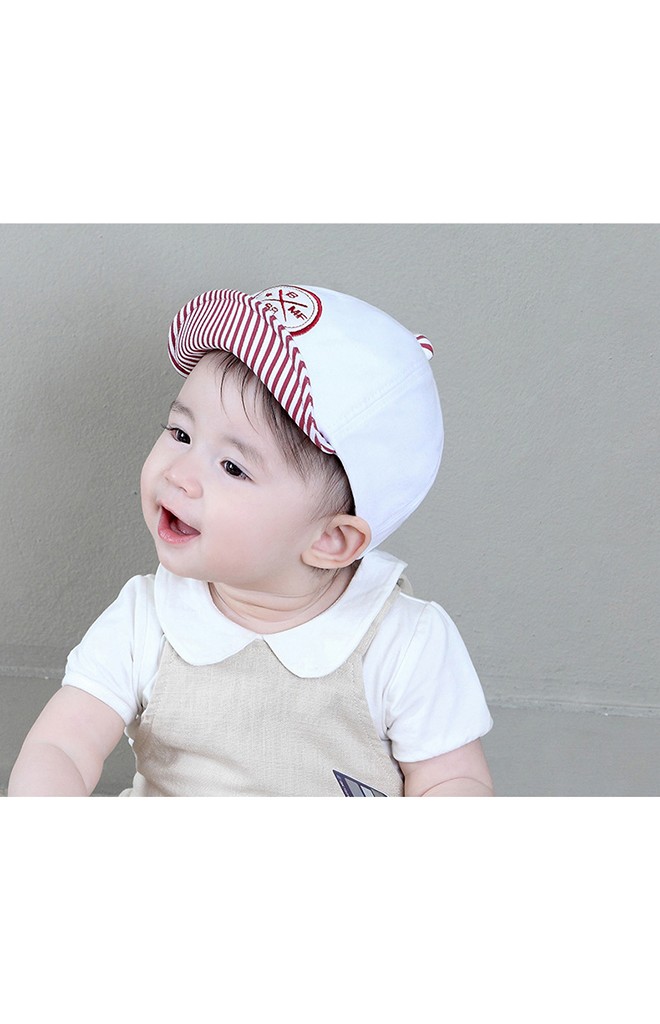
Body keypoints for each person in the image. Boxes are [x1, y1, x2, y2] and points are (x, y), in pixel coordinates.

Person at [9, 284, 494, 797]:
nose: (179, 475)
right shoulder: (146, 618)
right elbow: (62, 745)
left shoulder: (402, 644)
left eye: (233, 467)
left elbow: (452, 780)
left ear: (331, 539)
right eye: (181, 434)